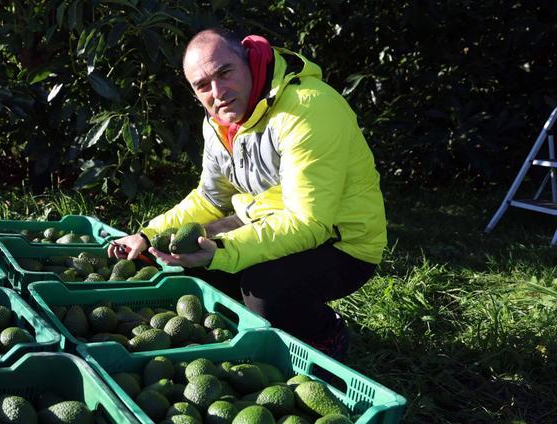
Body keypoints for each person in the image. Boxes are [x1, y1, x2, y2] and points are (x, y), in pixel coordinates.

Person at [108, 28, 387, 360]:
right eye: (203, 86)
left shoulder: (309, 109)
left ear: (247, 61)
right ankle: (247, 330)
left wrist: (222, 250)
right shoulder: (219, 122)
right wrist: (147, 232)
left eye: (225, 73)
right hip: (266, 219)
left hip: (343, 242)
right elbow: (210, 199)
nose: (218, 92)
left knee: (265, 292)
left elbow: (309, 222)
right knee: (175, 252)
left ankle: (327, 334)